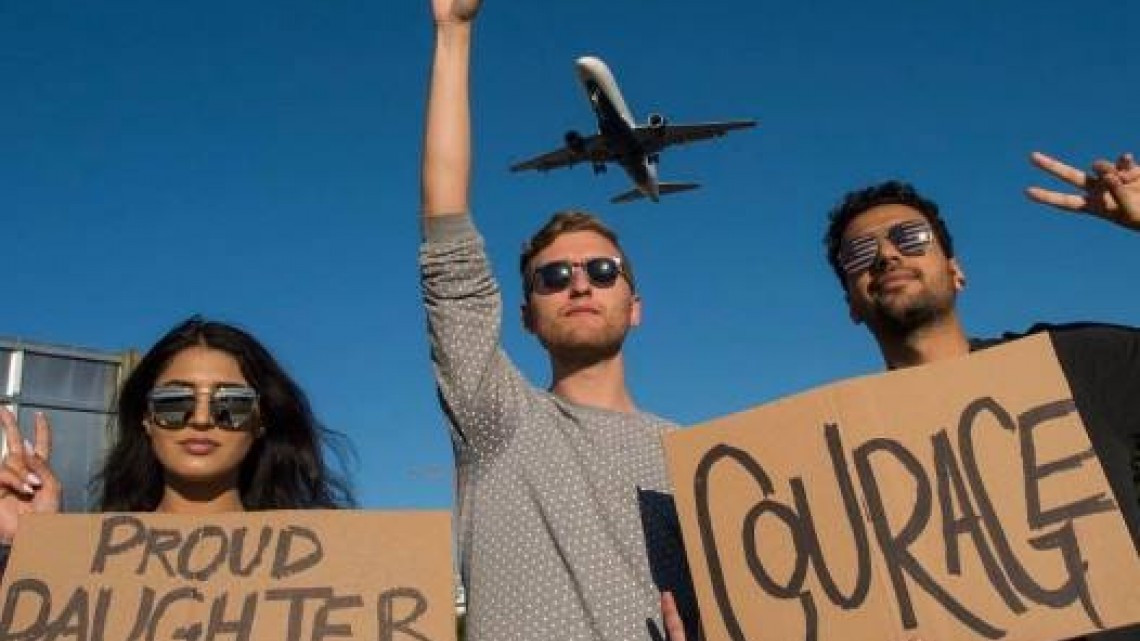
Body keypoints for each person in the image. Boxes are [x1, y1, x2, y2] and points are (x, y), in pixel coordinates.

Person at [420, 1, 695, 640]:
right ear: (527, 317)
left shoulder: (693, 455)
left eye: (602, 271)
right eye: (553, 277)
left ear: (636, 306)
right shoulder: (498, 422)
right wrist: (454, 33)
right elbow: (447, 242)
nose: (579, 283)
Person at [821, 151, 1139, 640]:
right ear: (851, 305)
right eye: (860, 254)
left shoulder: (1072, 362)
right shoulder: (833, 461)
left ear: (956, 272)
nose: (887, 256)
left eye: (910, 238)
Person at [0, 316, 355, 569]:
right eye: (174, 402)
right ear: (146, 418)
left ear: (261, 420)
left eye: (231, 403)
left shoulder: (316, 565)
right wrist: (24, 549)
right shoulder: (86, 564)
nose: (201, 419)